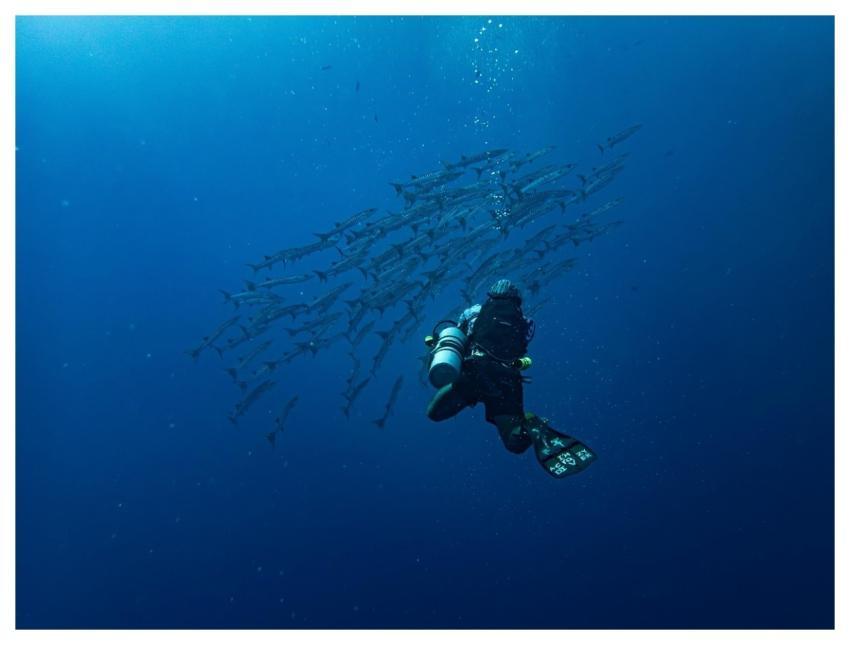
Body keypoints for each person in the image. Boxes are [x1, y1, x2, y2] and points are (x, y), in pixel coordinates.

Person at [425, 279, 597, 478]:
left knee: (434, 413)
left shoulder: (473, 312)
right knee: (513, 442)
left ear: (490, 295)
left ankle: (523, 425)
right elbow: (522, 348)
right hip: (507, 380)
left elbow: (458, 341)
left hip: (474, 373)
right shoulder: (525, 322)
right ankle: (530, 426)